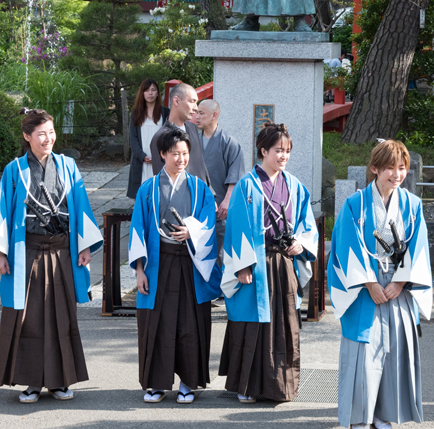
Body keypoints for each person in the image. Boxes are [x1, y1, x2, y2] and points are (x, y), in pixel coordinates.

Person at [0, 109, 104, 404]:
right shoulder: (15, 170)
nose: (48, 139)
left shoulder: (67, 165)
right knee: (28, 318)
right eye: (41, 134)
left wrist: (84, 245)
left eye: (50, 133)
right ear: (27, 137)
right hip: (28, 251)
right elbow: (2, 210)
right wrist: (0, 252)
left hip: (62, 249)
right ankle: (32, 382)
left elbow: (81, 205)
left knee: (63, 316)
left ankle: (60, 381)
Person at [328, 139, 432, 429]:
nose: (396, 174)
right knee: (364, 352)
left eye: (401, 168)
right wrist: (370, 282)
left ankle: (383, 414)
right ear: (375, 168)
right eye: (390, 168)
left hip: (398, 285)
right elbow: (345, 245)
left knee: (395, 349)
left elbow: (419, 247)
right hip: (364, 287)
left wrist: (400, 282)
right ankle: (360, 417)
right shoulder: (356, 204)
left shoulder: (412, 204)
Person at [219, 123, 318, 403]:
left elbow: (305, 225)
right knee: (253, 322)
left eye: (287, 151)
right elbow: (236, 226)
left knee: (284, 321)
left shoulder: (295, 186)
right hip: (255, 262)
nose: (283, 156)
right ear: (263, 150)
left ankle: (281, 386)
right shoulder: (247, 185)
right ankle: (247, 385)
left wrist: (301, 243)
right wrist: (241, 265)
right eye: (278, 150)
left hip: (283, 261)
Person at [128, 128, 222, 404]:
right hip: (159, 262)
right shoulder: (148, 189)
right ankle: (156, 384)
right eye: (174, 154)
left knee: (189, 324)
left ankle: (188, 383)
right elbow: (137, 231)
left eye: (184, 154)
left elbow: (208, 222)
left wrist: (192, 231)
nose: (180, 159)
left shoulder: (199, 187)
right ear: (162, 154)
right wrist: (140, 270)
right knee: (158, 323)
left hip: (191, 264)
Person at [195, 99, 245, 268]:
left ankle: (221, 291)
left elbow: (236, 174)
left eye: (201, 113)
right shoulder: (192, 140)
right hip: (196, 205)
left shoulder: (228, 142)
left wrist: (227, 200)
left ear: (214, 115)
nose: (197, 116)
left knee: (220, 251)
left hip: (219, 205)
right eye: (196, 112)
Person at [147, 84, 210, 186]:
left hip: (201, 194)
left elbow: (201, 165)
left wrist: (210, 195)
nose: (196, 108)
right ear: (176, 101)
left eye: (196, 103)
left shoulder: (193, 128)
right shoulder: (160, 137)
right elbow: (162, 180)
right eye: (192, 101)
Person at [128, 78, 165, 193]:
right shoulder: (135, 113)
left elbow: (168, 136)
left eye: (153, 90)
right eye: (147, 90)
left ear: (158, 93)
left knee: (159, 192)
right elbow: (132, 138)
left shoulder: (165, 113)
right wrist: (142, 155)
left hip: (160, 159)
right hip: (141, 160)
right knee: (142, 194)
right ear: (142, 93)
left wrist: (160, 155)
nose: (150, 93)